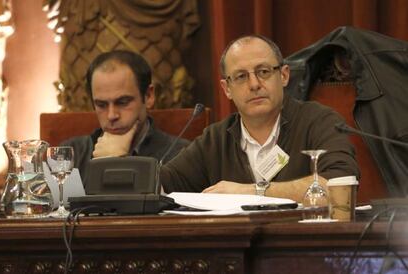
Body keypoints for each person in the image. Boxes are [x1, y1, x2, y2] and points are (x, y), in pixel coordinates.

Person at [161, 35, 359, 202]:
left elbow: (341, 188)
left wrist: (252, 191)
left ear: (284, 75)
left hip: (303, 245)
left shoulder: (320, 121)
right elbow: (163, 183)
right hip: (237, 245)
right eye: (240, 76)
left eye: (263, 72)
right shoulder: (215, 139)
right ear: (227, 89)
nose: (254, 84)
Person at [62, 50, 189, 181]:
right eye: (101, 104)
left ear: (149, 96)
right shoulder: (71, 153)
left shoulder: (181, 154)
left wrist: (121, 166)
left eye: (123, 102)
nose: (112, 115)